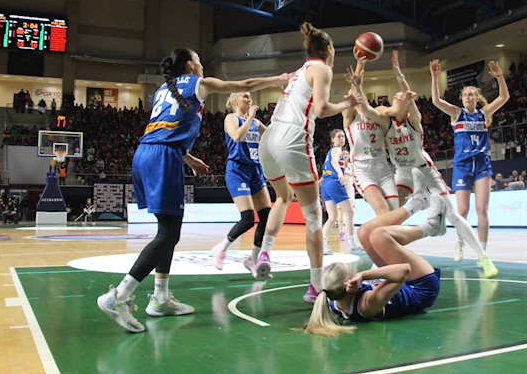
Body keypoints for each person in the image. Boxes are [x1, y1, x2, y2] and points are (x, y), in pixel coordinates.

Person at [96, 48, 289, 333]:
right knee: (168, 233)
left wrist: (187, 156)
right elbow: (246, 85)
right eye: (199, 61)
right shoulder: (198, 83)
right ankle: (118, 297)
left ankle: (161, 297)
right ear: (190, 65)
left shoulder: (165, 88)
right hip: (163, 157)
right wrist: (281, 78)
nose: (202, 65)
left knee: (169, 230)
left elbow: (162, 126)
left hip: (149, 153)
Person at [348, 63, 498, 277]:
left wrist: (400, 76)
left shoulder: (414, 120)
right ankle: (390, 256)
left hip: (423, 170)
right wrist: (358, 87)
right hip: (402, 174)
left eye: (403, 97)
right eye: (396, 97)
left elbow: (410, 99)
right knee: (391, 217)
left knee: (454, 214)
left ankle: (483, 256)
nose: (400, 98)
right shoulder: (384, 123)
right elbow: (365, 110)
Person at [253, 22, 362, 304]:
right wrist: (347, 103)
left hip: (269, 139)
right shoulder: (322, 68)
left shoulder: (299, 72)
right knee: (314, 218)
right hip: (292, 139)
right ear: (328, 50)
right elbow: (322, 109)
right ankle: (315, 288)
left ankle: (264, 251)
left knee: (282, 197)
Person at [302, 169, 444, 336]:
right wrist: (364, 275)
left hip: (399, 281)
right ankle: (432, 227)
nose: (353, 271)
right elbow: (403, 270)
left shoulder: (334, 296)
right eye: (348, 270)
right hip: (420, 287)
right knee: (380, 236)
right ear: (348, 285)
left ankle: (418, 202)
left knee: (364, 233)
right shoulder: (365, 305)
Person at [429, 59, 509, 262]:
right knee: (462, 211)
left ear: (476, 98)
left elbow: (504, 96)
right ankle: (460, 242)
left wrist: (499, 77)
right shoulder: (457, 114)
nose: (467, 97)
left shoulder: (483, 114)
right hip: (463, 165)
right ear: (462, 99)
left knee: (482, 209)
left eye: (471, 94)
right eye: (464, 95)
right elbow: (436, 101)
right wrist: (434, 76)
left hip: (482, 164)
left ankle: (483, 253)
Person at [212, 92, 273, 272]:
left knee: (266, 217)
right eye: (245, 96)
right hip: (238, 169)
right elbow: (237, 136)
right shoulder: (232, 118)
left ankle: (252, 258)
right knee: (247, 219)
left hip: (255, 170)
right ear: (234, 100)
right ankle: (221, 248)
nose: (249, 99)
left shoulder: (255, 122)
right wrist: (250, 118)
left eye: (250, 96)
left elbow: (271, 136)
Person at [341, 53, 400, 216]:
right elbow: (354, 92)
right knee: (382, 209)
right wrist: (360, 66)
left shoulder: (378, 112)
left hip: (383, 167)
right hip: (362, 168)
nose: (350, 96)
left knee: (393, 213)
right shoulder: (349, 117)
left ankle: (378, 239)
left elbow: (393, 111)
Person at [320, 129, 358, 255]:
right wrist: (340, 174)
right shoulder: (337, 149)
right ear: (333, 139)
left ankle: (322, 243)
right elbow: (334, 161)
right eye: (339, 136)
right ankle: (352, 244)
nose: (342, 138)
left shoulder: (330, 151)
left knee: (333, 217)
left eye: (343, 136)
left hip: (325, 184)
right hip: (334, 183)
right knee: (350, 213)